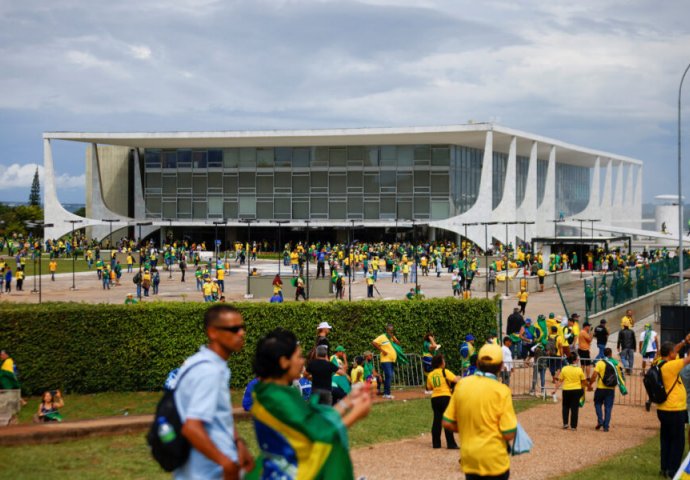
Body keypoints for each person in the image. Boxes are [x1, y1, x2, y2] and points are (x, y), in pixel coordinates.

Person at [250, 328, 372, 479]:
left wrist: (349, 401)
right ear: (283, 362)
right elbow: (317, 435)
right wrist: (355, 413)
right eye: (299, 356)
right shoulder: (277, 399)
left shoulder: (271, 392)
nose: (303, 361)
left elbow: (314, 421)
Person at [173, 304, 254, 479]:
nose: (241, 333)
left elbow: (219, 415)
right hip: (207, 472)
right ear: (212, 333)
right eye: (233, 329)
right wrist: (225, 462)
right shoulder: (209, 371)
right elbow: (191, 427)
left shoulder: (208, 364)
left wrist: (238, 443)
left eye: (242, 327)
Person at [442, 343, 517, 480]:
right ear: (501, 366)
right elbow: (509, 433)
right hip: (495, 460)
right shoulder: (502, 391)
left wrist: (467, 428)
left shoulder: (462, 385)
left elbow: (447, 422)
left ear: (477, 363)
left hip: (470, 458)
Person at [656, 336, 690, 478]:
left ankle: (664, 468)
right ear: (670, 354)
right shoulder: (671, 366)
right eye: (673, 352)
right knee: (678, 441)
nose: (676, 353)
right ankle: (673, 470)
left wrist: (684, 342)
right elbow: (688, 359)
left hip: (663, 409)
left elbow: (673, 350)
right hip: (674, 409)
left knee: (666, 439)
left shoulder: (659, 362)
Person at [588, 347, 625, 432]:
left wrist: (590, 384)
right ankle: (606, 426)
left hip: (601, 388)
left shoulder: (600, 363)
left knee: (597, 404)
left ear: (603, 354)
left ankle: (600, 420)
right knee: (608, 408)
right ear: (611, 354)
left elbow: (594, 375)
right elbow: (620, 376)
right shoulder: (616, 363)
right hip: (611, 388)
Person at [426, 354, 459, 449]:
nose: (445, 362)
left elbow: (429, 388)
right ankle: (451, 443)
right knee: (447, 419)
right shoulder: (445, 371)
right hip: (445, 397)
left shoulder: (431, 374)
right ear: (440, 364)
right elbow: (456, 380)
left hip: (435, 398)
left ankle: (436, 444)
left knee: (437, 420)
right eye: (443, 361)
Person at [555, 352, 586, 430]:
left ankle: (565, 423)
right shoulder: (579, 370)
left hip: (566, 390)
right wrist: (584, 391)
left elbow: (560, 381)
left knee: (565, 407)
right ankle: (573, 426)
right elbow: (583, 382)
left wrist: (555, 390)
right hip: (576, 390)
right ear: (575, 360)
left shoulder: (564, 369)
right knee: (574, 408)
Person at [372, 324, 404, 399]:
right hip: (385, 360)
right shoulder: (382, 336)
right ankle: (387, 393)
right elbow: (373, 342)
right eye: (389, 330)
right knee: (389, 375)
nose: (390, 331)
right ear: (386, 330)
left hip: (392, 360)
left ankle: (386, 393)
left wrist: (393, 337)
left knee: (389, 376)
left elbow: (398, 344)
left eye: (392, 330)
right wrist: (382, 350)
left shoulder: (392, 337)